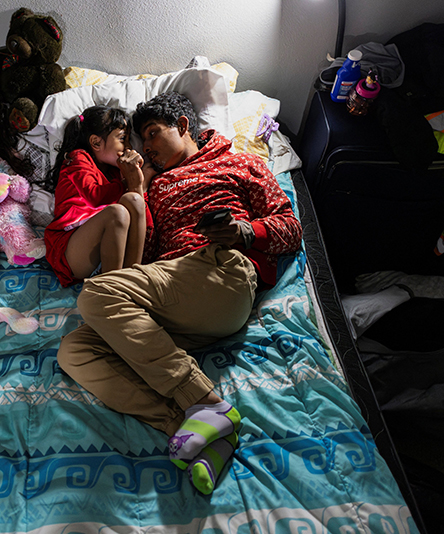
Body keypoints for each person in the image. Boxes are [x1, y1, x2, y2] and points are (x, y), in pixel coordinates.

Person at [56, 91, 303, 494]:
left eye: (153, 134)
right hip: (173, 296)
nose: (147, 148)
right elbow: (144, 256)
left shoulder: (239, 162)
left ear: (183, 126)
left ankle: (204, 401)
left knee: (96, 294)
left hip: (220, 271)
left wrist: (243, 231)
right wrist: (138, 187)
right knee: (75, 351)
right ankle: (198, 431)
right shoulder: (156, 183)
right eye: (141, 141)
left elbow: (290, 229)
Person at [43, 105, 153, 287]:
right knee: (117, 213)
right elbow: (95, 197)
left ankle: (129, 282)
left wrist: (136, 183)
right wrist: (126, 182)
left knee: (133, 200)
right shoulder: (78, 159)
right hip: (71, 249)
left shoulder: (115, 172)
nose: (129, 147)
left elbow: (145, 226)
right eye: (122, 139)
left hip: (110, 252)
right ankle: (110, 290)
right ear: (96, 142)